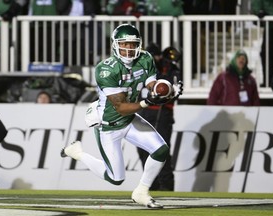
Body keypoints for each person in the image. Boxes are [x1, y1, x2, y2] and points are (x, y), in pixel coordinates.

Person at [61, 23, 183, 208]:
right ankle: (77, 153)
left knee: (161, 150)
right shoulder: (106, 69)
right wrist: (148, 102)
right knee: (116, 178)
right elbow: (120, 106)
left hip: (129, 119)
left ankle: (141, 192)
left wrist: (167, 91)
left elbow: (152, 85)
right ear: (115, 45)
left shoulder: (145, 58)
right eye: (124, 44)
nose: (128, 48)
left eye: (132, 44)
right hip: (109, 125)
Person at [137, 44, 182, 191]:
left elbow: (173, 87)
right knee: (143, 153)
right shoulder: (140, 69)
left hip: (162, 115)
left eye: (153, 56)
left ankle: (167, 190)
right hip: (143, 113)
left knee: (161, 153)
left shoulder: (170, 69)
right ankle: (150, 188)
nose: (151, 59)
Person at [251, 0, 273, 87]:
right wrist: (259, 11)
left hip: (271, 26)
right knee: (267, 54)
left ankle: (270, 81)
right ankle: (269, 81)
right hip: (270, 27)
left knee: (267, 54)